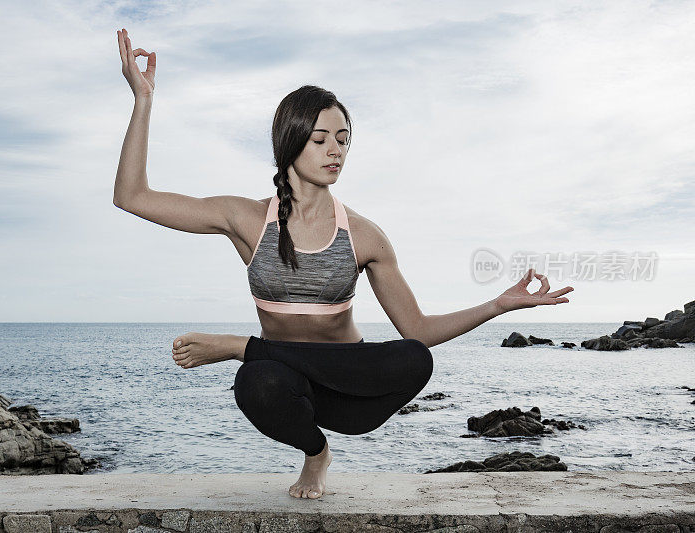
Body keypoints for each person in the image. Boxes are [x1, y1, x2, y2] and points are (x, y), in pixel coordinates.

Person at [113, 28, 574, 499]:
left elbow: (418, 329)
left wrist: (498, 305)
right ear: (291, 141)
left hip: (352, 390)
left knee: (415, 357)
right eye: (320, 139)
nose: (335, 150)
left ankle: (239, 346)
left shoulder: (364, 236)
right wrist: (143, 101)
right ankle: (315, 452)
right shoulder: (247, 220)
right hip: (288, 387)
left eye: (343, 139)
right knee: (255, 381)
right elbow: (132, 197)